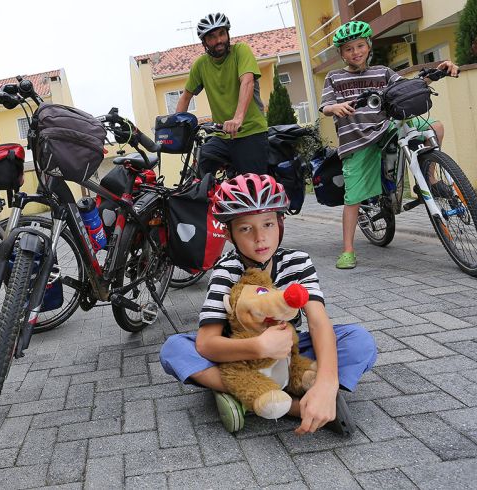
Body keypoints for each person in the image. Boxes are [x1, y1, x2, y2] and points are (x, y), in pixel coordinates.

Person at [159, 173, 377, 435]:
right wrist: (258, 346)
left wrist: (327, 384)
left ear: (280, 223)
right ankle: (290, 405)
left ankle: (297, 391)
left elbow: (319, 323)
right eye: (245, 228)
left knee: (360, 340)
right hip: (239, 356)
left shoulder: (298, 262)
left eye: (268, 224)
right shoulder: (226, 270)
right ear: (228, 234)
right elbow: (207, 343)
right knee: (175, 349)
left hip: (289, 352)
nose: (260, 237)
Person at [319, 21, 459, 269]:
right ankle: (348, 250)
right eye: (348, 49)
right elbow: (326, 106)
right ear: (341, 54)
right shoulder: (334, 77)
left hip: (386, 128)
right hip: (356, 140)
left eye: (360, 46)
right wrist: (335, 107)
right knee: (353, 197)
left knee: (435, 127)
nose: (355, 52)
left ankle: (429, 180)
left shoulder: (383, 72)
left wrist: (438, 71)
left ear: (368, 46)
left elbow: (406, 88)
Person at [175, 12, 270, 177]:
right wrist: (177, 130)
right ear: (204, 43)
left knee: (251, 186)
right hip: (221, 136)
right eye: (212, 37)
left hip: (250, 131)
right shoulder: (201, 65)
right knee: (197, 175)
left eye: (222, 34)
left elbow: (247, 82)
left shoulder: (240, 51)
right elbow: (185, 97)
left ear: (228, 34)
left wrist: (238, 118)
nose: (219, 40)